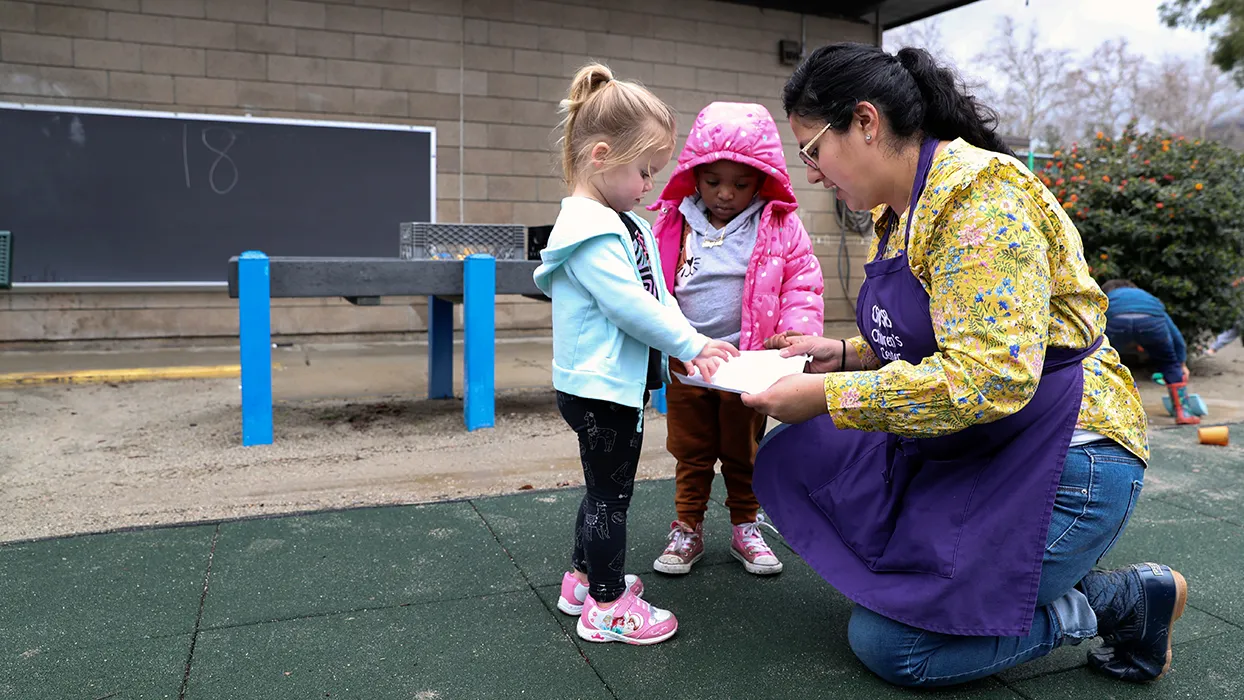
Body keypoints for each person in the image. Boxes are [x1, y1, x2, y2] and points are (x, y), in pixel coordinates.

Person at [741, 43, 1187, 687]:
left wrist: (828, 394)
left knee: (896, 648)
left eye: (811, 149)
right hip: (984, 439)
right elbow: (941, 336)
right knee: (809, 462)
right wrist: (843, 354)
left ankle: (1113, 603)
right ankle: (1015, 583)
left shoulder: (981, 203)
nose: (809, 172)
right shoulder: (897, 214)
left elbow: (990, 377)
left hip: (1069, 454)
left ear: (865, 122)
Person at [532, 63, 738, 646]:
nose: (650, 184)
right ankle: (606, 605)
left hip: (610, 385)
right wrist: (690, 344)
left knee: (603, 489)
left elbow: (658, 296)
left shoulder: (619, 223)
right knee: (610, 496)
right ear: (600, 156)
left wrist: (694, 342)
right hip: (598, 389)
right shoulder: (590, 232)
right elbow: (628, 305)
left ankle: (582, 580)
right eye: (644, 171)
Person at [646, 102, 825, 577]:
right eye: (712, 182)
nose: (725, 194)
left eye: (741, 184)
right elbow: (652, 285)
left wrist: (798, 333)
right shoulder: (671, 222)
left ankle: (746, 523)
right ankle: (687, 525)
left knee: (744, 450)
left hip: (750, 364)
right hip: (689, 362)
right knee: (690, 448)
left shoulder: (780, 224)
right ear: (694, 176)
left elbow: (802, 282)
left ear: (763, 180)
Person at [1101, 279, 1200, 424]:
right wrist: (1181, 364)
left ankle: (1107, 413)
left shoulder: (1109, 298)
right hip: (1151, 321)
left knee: (1105, 361)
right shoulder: (1147, 298)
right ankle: (1183, 413)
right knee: (1169, 363)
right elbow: (1176, 336)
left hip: (1116, 319)